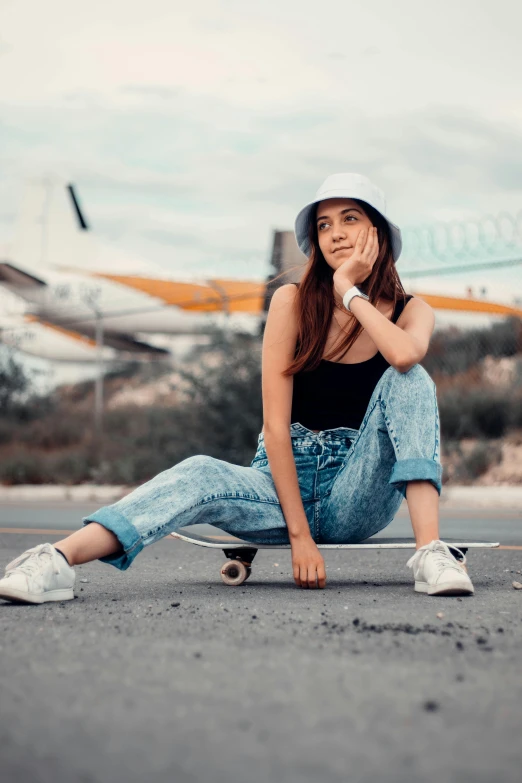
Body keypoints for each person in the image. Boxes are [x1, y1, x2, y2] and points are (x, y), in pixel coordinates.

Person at [0, 172, 474, 604]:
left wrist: (350, 292)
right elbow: (274, 425)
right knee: (200, 471)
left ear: (379, 233)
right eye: (325, 225)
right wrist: (299, 538)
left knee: (408, 377)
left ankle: (430, 553)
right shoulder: (291, 302)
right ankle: (57, 561)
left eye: (350, 219)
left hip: (358, 491)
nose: (337, 234)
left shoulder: (413, 311)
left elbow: (405, 356)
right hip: (276, 485)